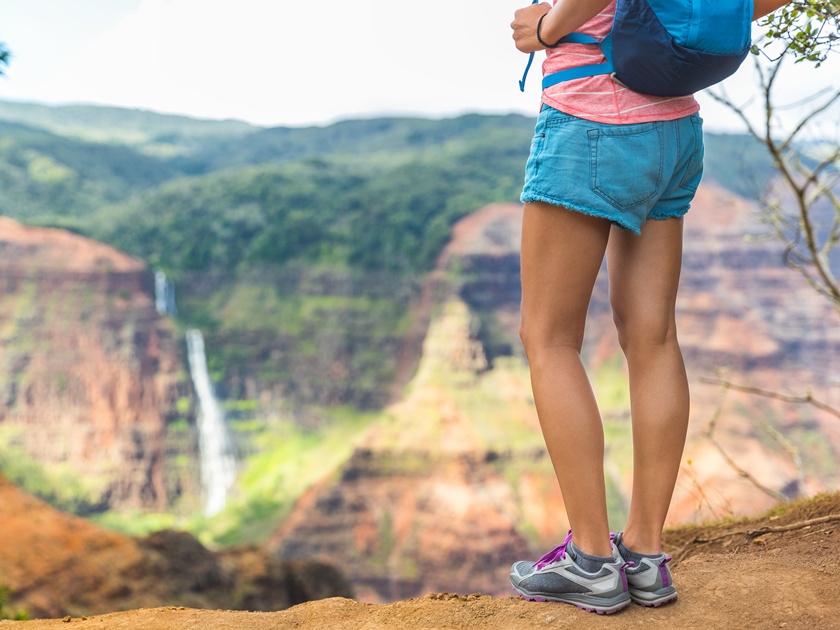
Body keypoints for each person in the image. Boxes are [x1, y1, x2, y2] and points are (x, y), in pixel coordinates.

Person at [508, 0, 792, 615]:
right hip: (674, 125)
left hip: (592, 117)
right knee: (652, 336)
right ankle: (645, 554)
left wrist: (548, 26)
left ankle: (590, 560)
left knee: (549, 338)